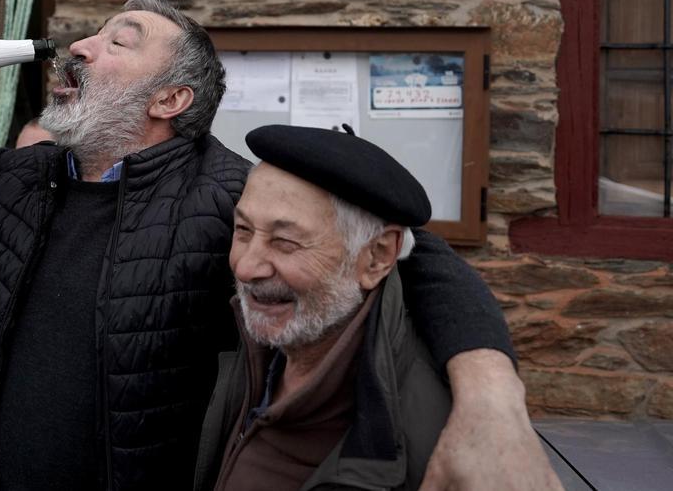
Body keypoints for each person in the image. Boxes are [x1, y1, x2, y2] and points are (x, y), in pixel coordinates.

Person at [0, 0, 558, 490]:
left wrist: (492, 397)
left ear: (170, 101)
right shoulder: (21, 176)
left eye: (121, 40)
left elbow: (410, 254)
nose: (81, 45)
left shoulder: (230, 195)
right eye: (94, 34)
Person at [194, 125, 551, 490]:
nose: (246, 266)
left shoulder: (439, 439)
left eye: (285, 242)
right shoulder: (248, 338)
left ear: (377, 257)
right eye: (243, 230)